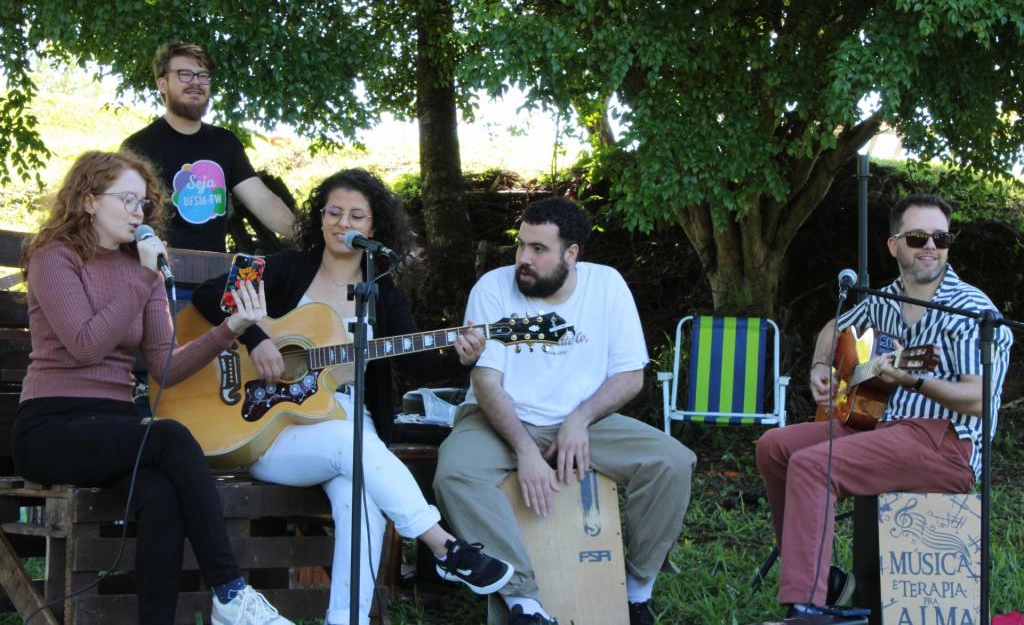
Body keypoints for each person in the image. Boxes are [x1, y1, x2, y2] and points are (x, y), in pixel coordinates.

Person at [189, 168, 514, 625]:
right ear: (320, 218)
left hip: (349, 423)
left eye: (356, 216)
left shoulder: (382, 294)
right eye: (334, 212)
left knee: (361, 503)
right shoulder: (286, 267)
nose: (343, 224)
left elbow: (418, 363)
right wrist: (257, 338)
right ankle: (443, 545)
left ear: (374, 228)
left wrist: (465, 356)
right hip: (269, 428)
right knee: (350, 443)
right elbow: (208, 295)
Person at [14, 150, 292, 625]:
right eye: (125, 199)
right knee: (170, 434)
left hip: (116, 429)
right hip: (52, 426)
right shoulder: (54, 257)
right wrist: (145, 276)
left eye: (143, 203)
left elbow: (165, 366)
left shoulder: (140, 269)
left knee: (161, 494)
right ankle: (229, 590)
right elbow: (84, 345)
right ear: (86, 201)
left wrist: (231, 328)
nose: (137, 212)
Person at [433, 197, 697, 625]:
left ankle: (635, 590)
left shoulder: (607, 286)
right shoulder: (492, 289)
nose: (524, 259)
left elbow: (630, 376)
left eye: (539, 249)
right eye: (521, 246)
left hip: (587, 421)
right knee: (454, 473)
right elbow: (486, 382)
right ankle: (523, 599)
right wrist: (524, 450)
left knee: (672, 463)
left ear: (571, 254)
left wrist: (579, 419)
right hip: (501, 420)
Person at [755, 193, 1013, 618]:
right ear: (894, 245)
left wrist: (913, 380)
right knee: (775, 447)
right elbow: (836, 324)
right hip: (882, 427)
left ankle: (807, 606)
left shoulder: (971, 310)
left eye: (940, 238)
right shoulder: (887, 298)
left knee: (816, 465)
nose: (930, 246)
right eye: (917, 237)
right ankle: (829, 578)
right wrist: (821, 365)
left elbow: (980, 398)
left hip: (946, 444)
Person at [122, 42, 296, 252]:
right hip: (158, 275)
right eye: (185, 74)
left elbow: (262, 201)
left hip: (214, 274)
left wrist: (309, 237)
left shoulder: (225, 143)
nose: (196, 82)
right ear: (162, 84)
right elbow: (123, 214)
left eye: (202, 76)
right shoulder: (138, 147)